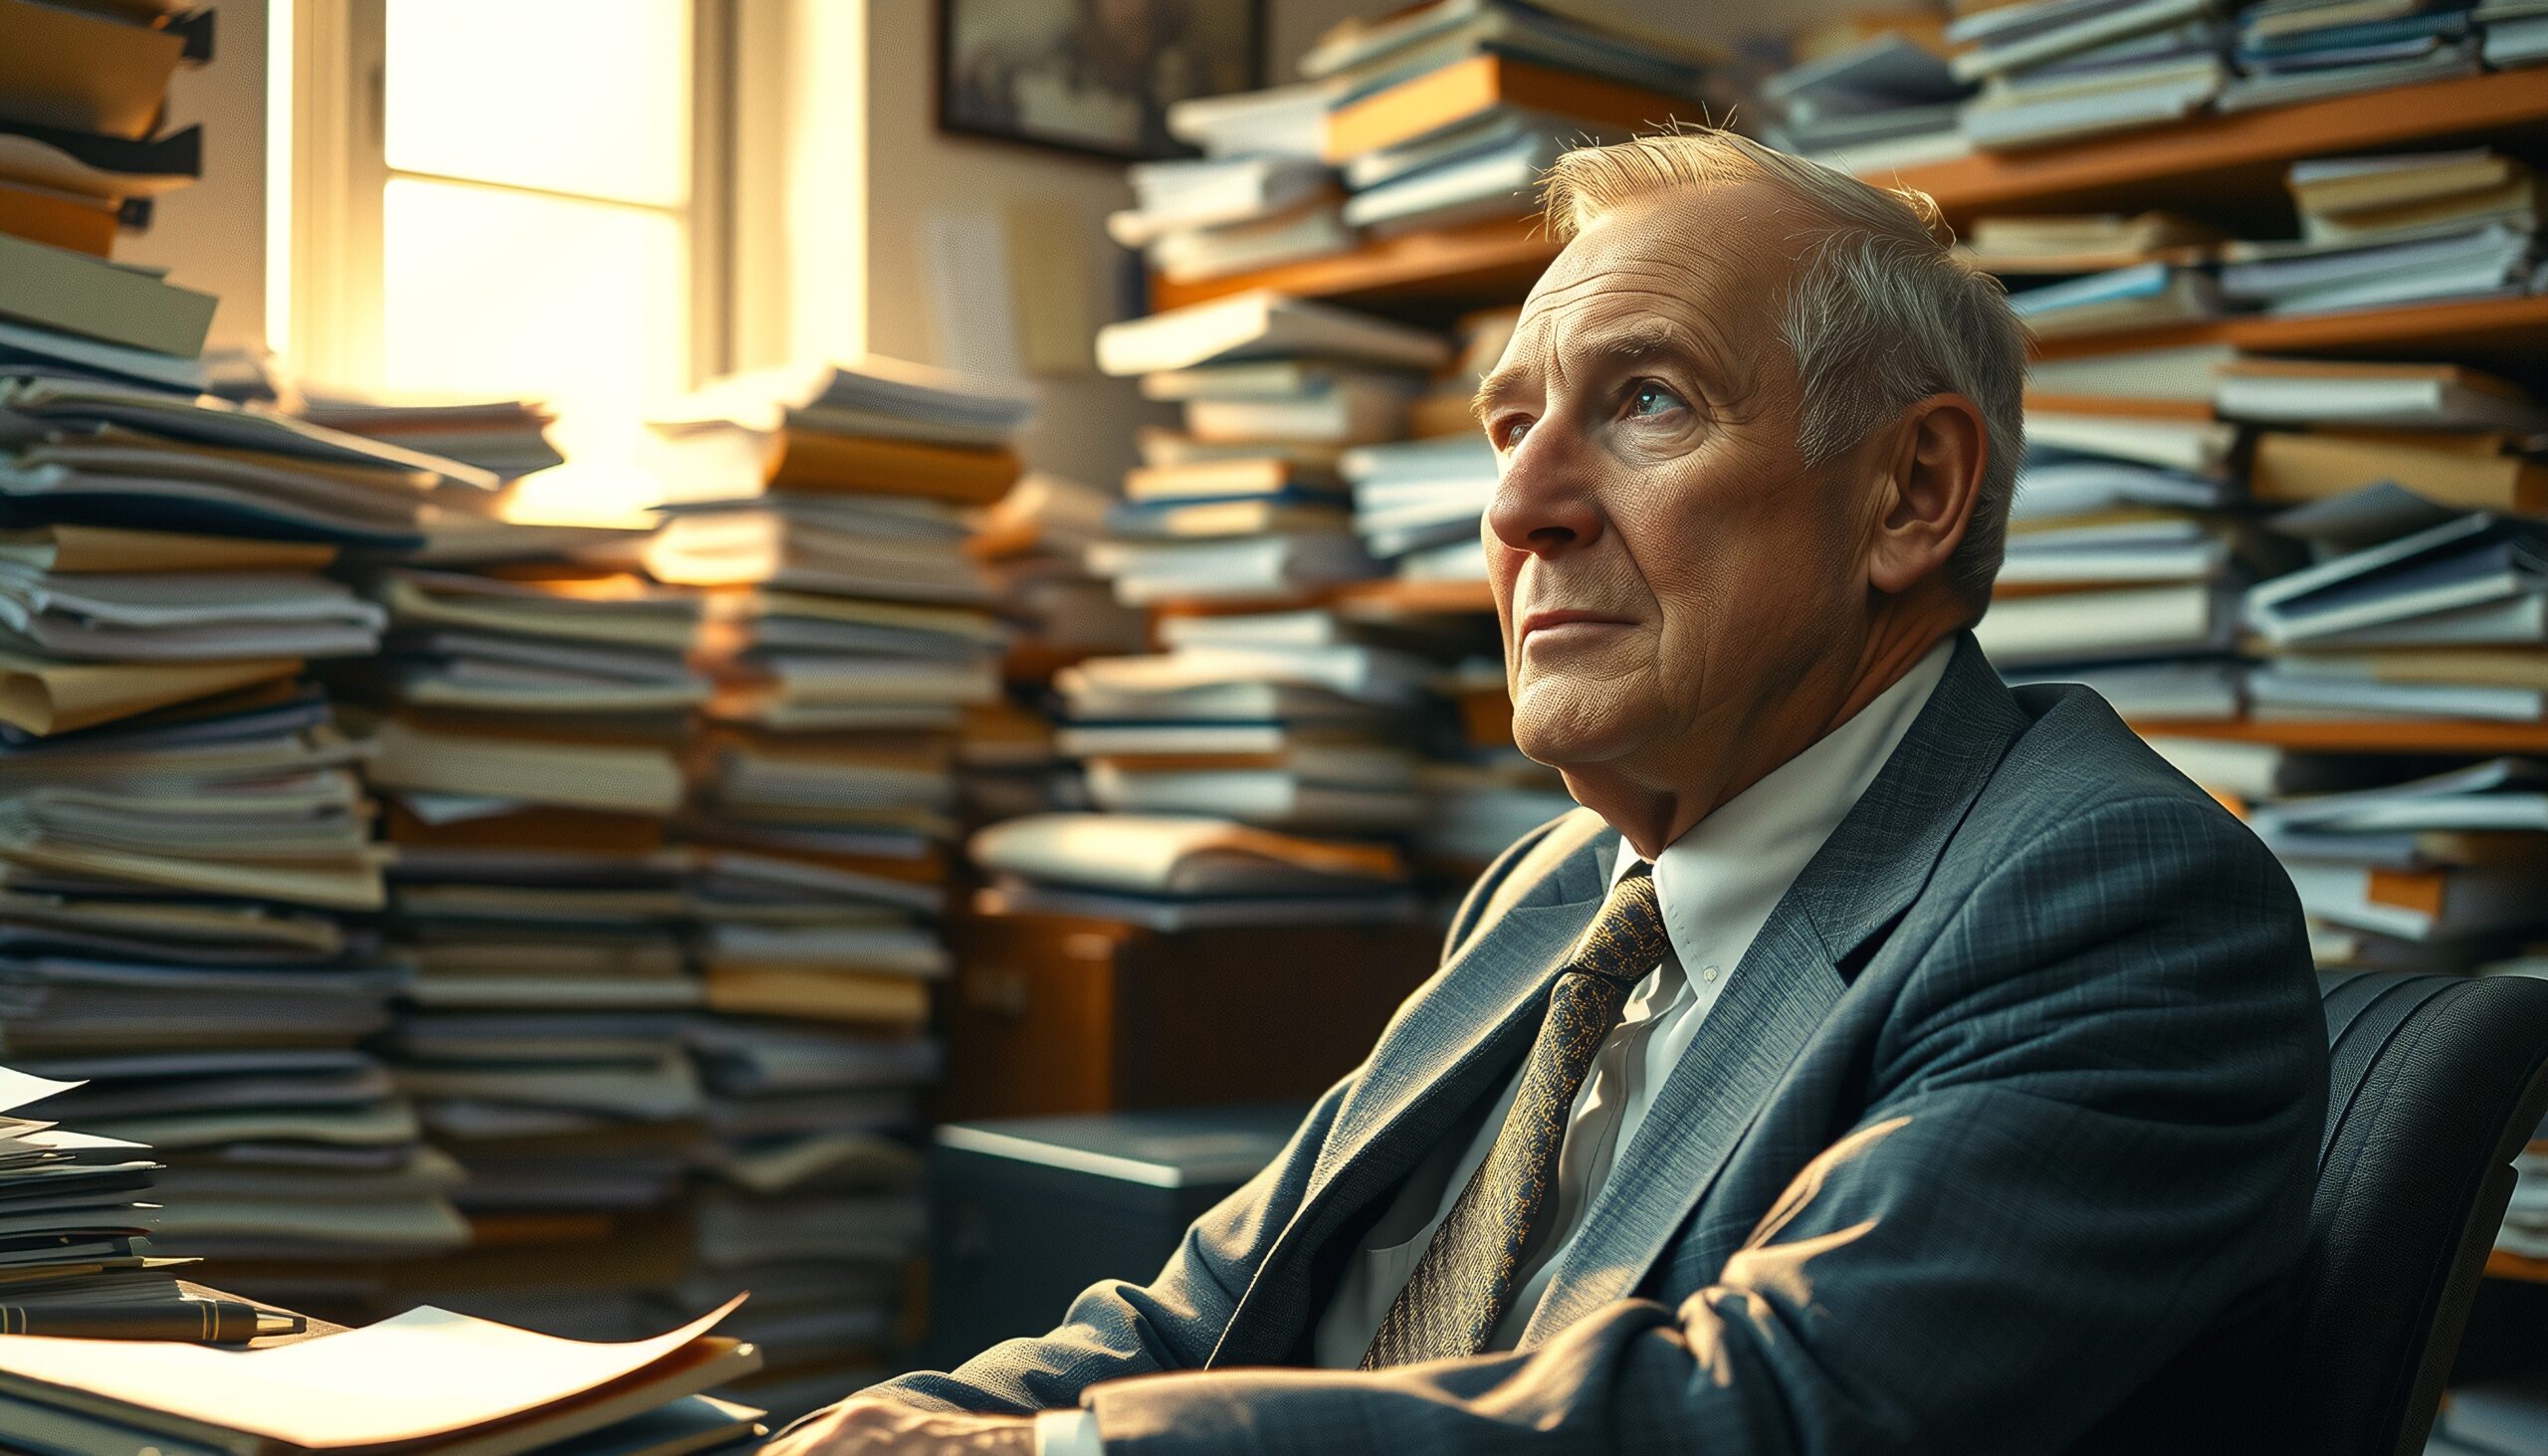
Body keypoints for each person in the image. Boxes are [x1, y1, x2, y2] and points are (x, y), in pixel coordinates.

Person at [767, 128, 2328, 1456]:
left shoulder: (2115, 900)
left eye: (1648, 400)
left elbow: (1758, 1414)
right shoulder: (1559, 887)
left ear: (1910, 493)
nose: (1517, 505)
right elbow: (1196, 1312)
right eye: (1513, 424)